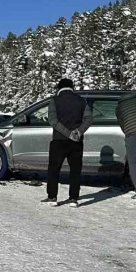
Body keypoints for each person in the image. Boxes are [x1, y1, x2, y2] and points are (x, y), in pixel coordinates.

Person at [42, 79, 93, 207]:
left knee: (54, 169)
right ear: (72, 87)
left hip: (59, 140)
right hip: (76, 141)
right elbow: (88, 119)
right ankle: (73, 199)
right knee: (75, 170)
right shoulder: (82, 101)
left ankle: (52, 197)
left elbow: (53, 120)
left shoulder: (54, 100)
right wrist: (78, 132)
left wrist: (67, 133)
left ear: (59, 88)